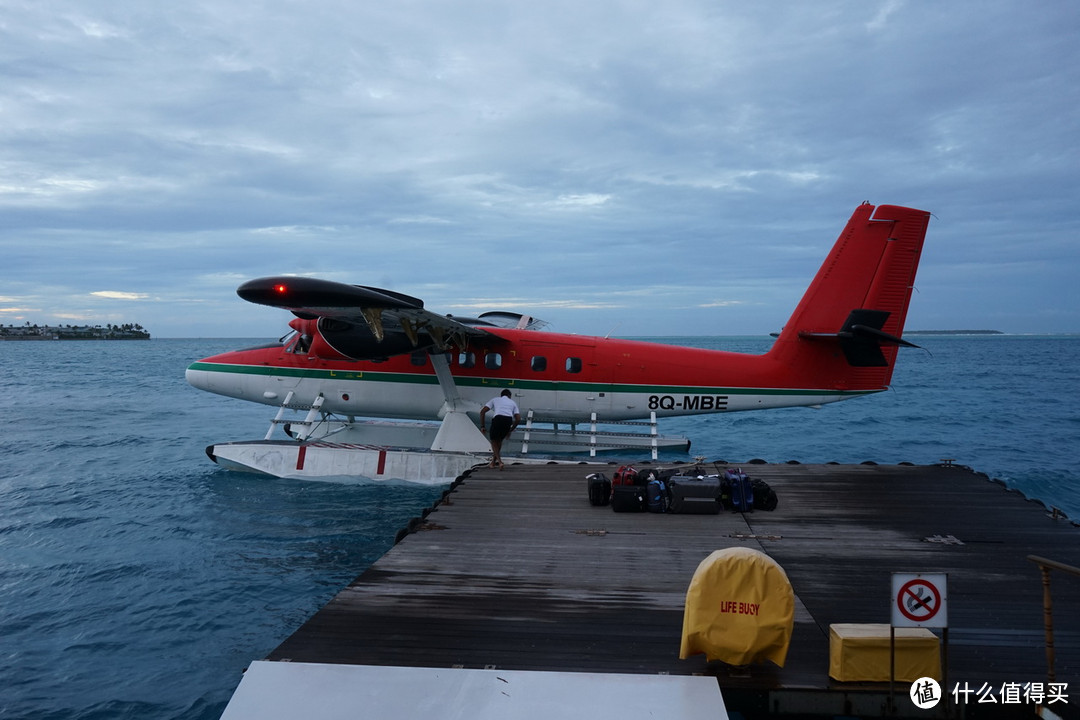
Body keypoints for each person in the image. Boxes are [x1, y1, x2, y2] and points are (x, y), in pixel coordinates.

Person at [479, 389, 520, 469]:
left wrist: (482, 426)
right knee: (499, 441)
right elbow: (518, 418)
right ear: (509, 396)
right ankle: (493, 462)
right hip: (508, 420)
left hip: (498, 418)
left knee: (494, 441)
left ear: (501, 395)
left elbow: (482, 412)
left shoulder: (495, 399)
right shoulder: (513, 403)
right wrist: (510, 429)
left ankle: (500, 462)